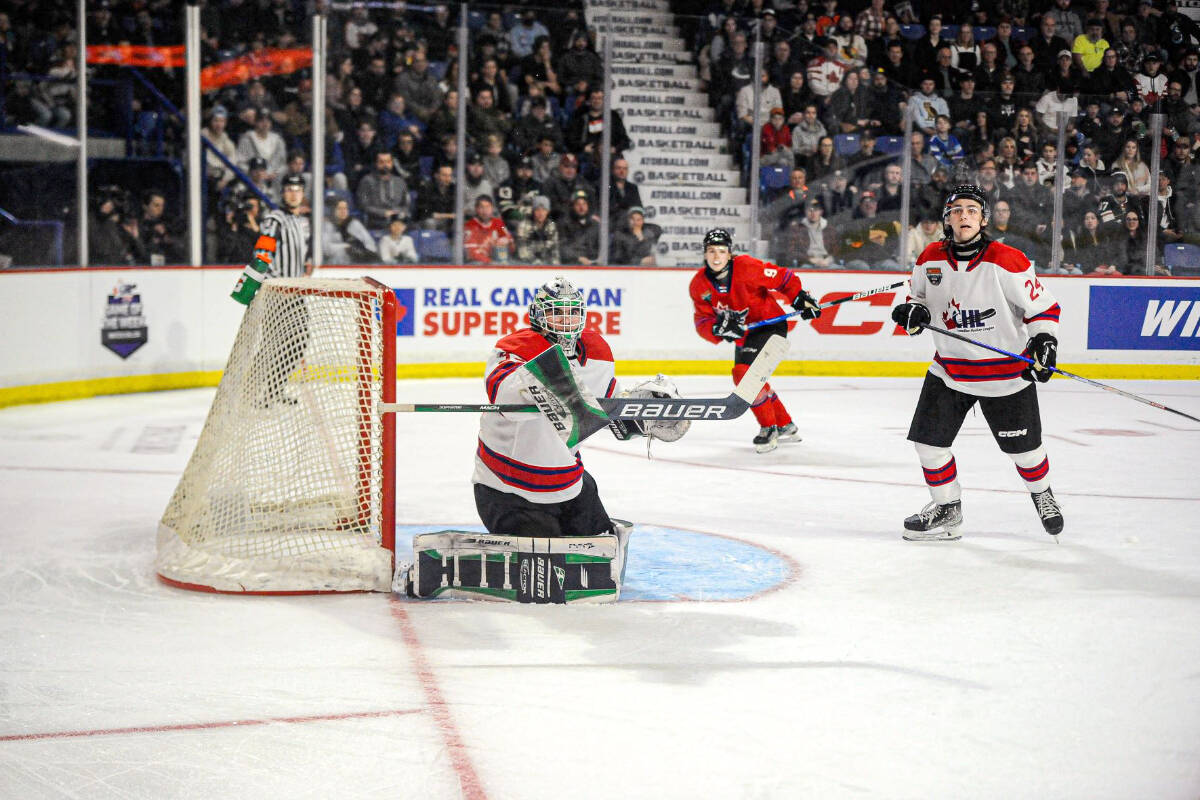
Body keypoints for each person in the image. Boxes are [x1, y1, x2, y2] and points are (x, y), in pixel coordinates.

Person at [890, 184, 1064, 541]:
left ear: (983, 219)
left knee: (1026, 453)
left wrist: (1044, 339)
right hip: (950, 370)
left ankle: (1042, 494)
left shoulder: (1007, 259)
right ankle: (947, 511)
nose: (964, 215)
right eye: (956, 210)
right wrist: (912, 313)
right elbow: (919, 303)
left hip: (1005, 376)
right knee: (929, 445)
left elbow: (1044, 308)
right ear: (947, 219)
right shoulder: (929, 259)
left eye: (972, 210)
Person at [473, 277, 681, 542]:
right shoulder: (516, 348)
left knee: (604, 557)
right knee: (549, 573)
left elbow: (605, 407)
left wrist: (643, 411)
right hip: (508, 489)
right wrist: (544, 378)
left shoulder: (596, 352)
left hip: (568, 482)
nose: (565, 321)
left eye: (572, 312)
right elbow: (502, 393)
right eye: (556, 313)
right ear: (538, 316)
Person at [688, 228, 822, 452]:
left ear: (729, 253)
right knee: (749, 378)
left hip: (769, 326)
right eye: (711, 251)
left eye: (721, 251)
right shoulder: (699, 285)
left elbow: (783, 277)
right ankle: (785, 424)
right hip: (746, 333)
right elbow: (702, 322)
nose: (716, 256)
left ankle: (768, 429)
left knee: (744, 375)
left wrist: (800, 298)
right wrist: (718, 330)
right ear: (704, 254)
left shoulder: (746, 267)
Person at [250, 174, 313, 408]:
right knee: (272, 344)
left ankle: (274, 390)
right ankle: (253, 392)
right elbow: (261, 255)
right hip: (277, 293)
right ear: (283, 193)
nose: (293, 193)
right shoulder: (274, 219)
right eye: (289, 189)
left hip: (296, 293)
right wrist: (275, 283)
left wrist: (308, 262)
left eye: (297, 189)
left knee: (297, 342)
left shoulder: (301, 221)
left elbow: (302, 252)